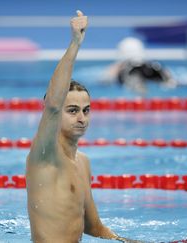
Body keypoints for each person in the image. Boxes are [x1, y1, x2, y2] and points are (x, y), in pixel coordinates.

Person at [26, 10, 142, 243]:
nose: (81, 118)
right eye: (72, 111)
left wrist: (128, 241)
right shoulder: (45, 156)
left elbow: (93, 226)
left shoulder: (83, 163)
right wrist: (75, 44)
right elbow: (53, 105)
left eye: (85, 110)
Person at [101, 37, 177, 93]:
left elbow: (106, 80)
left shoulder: (118, 66)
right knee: (168, 82)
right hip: (150, 70)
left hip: (131, 74)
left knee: (137, 85)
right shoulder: (149, 64)